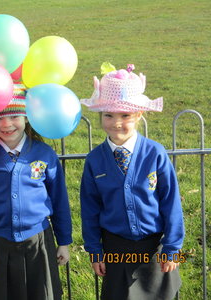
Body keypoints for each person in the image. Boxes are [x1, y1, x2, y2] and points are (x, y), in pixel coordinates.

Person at [79, 63, 185, 300]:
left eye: (125, 115)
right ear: (100, 116)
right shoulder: (95, 160)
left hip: (155, 248)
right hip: (116, 249)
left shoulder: (155, 154)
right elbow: (90, 209)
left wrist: (172, 248)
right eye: (109, 115)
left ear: (139, 115)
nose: (116, 123)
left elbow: (170, 203)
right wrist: (95, 251)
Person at [0, 83, 73, 300]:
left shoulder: (44, 154)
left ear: (26, 117)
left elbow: (59, 200)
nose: (6, 124)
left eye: (14, 116)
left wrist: (64, 242)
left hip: (39, 241)